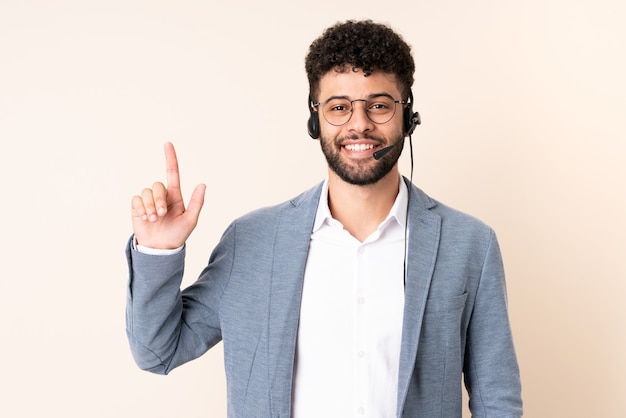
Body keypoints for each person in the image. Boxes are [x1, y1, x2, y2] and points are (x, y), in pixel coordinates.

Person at [126, 19, 523, 417]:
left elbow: (497, 401)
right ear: (316, 120)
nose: (359, 123)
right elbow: (157, 351)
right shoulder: (252, 242)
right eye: (339, 108)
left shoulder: (471, 244)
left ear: (408, 115)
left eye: (379, 105)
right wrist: (159, 252)